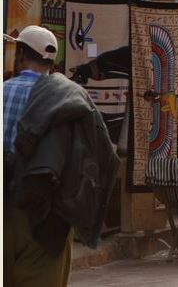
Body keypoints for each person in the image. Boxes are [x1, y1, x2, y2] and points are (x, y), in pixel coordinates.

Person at [5, 26, 118, 286]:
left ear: (20, 54)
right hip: (47, 219)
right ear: (51, 61)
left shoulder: (3, 92)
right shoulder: (71, 97)